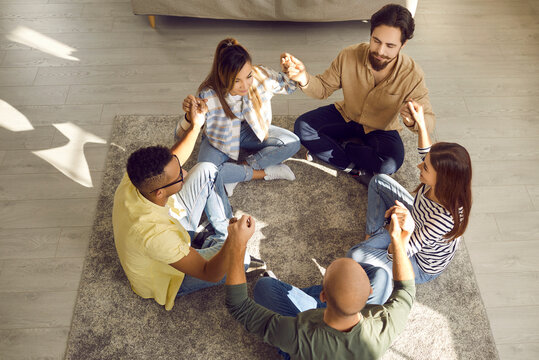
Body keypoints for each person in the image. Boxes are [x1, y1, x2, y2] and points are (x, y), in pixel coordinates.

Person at [112, 97, 252, 311]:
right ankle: (222, 239)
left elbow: (174, 158)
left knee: (207, 169)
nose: (185, 173)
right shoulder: (155, 235)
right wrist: (236, 242)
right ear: (160, 193)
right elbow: (209, 273)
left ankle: (215, 239)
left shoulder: (136, 178)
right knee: (243, 259)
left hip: (170, 222)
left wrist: (196, 124)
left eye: (179, 168)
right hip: (169, 276)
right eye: (179, 178)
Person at [225, 211, 415, 360]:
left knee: (264, 286)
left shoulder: (298, 334)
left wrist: (238, 243)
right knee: (381, 274)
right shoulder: (384, 325)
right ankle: (337, 296)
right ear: (369, 293)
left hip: (306, 347)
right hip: (343, 320)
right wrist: (398, 240)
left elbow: (239, 305)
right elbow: (406, 288)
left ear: (323, 295)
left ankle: (325, 299)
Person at [281, 4, 435, 185]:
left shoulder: (412, 74)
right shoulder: (349, 55)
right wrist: (303, 77)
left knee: (389, 165)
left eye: (390, 45)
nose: (380, 51)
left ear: (403, 44)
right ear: (370, 35)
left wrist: (415, 121)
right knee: (302, 128)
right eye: (376, 40)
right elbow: (323, 88)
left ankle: (344, 148)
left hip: (382, 128)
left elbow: (429, 120)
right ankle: (355, 168)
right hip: (346, 115)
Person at [347, 99, 472, 304]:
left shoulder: (442, 220)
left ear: (443, 180)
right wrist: (420, 123)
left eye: (425, 168)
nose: (418, 166)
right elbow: (426, 151)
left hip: (417, 261)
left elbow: (398, 252)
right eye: (424, 163)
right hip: (414, 221)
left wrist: (401, 230)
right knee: (379, 181)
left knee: (354, 255)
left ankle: (381, 273)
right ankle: (374, 233)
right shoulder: (441, 184)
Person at [178, 38, 301, 196]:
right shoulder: (208, 95)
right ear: (223, 76)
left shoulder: (260, 76)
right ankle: (263, 172)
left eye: (248, 76)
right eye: (236, 81)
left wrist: (289, 70)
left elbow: (289, 87)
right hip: (219, 139)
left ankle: (235, 173)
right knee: (206, 174)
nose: (245, 85)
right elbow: (179, 137)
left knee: (292, 143)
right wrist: (189, 117)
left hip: (252, 133)